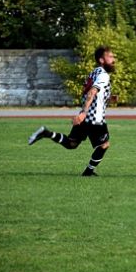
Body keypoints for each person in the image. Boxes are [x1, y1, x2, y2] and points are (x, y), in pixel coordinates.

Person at [28, 46, 115, 177]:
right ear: (102, 60)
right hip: (94, 118)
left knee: (71, 143)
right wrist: (84, 113)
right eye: (110, 57)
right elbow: (92, 92)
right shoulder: (103, 75)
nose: (113, 60)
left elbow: (89, 92)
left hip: (85, 117)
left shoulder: (94, 72)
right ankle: (88, 172)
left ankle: (46, 133)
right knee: (104, 145)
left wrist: (107, 98)